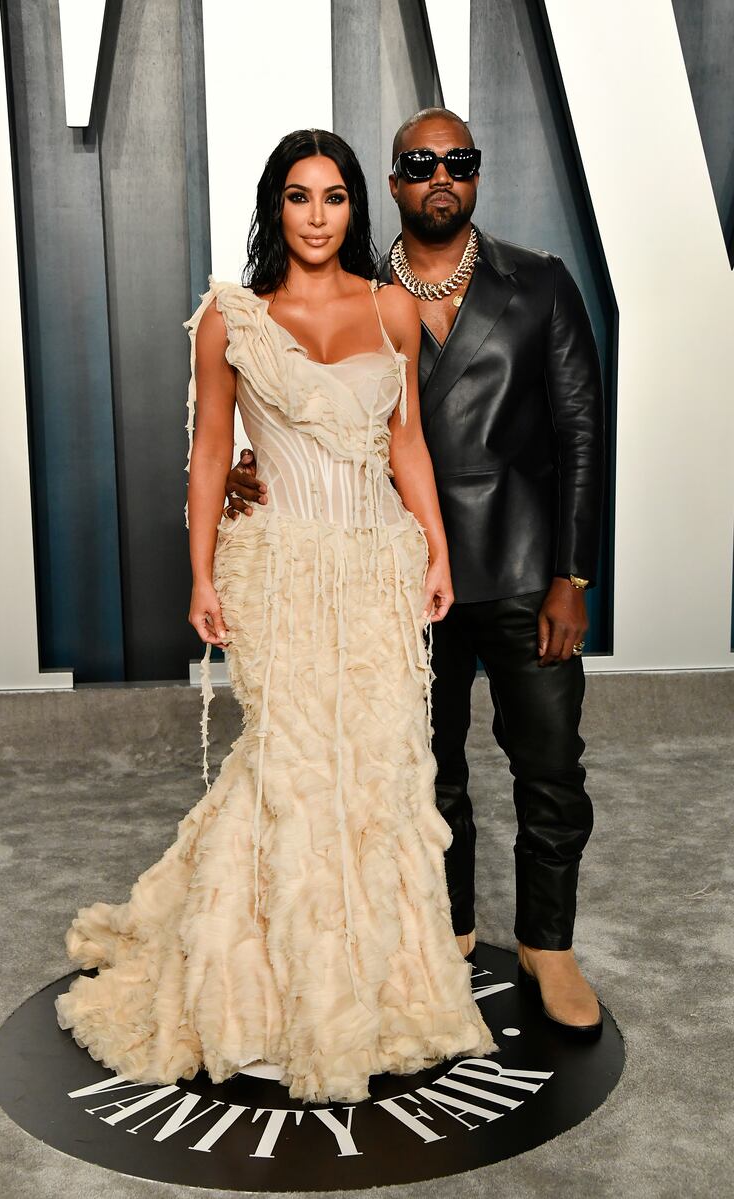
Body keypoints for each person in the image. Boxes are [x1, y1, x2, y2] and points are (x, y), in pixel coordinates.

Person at [54, 127, 495, 1105]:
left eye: (333, 197)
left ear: (354, 208)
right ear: (274, 207)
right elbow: (212, 452)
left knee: (373, 772)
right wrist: (201, 575)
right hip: (276, 569)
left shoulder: (390, 306)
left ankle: (374, 986)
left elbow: (407, 444)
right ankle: (265, 996)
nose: (316, 216)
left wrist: (436, 551)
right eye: (298, 197)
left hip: (375, 564)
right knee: (291, 768)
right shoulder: (232, 318)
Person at [226, 108, 605, 1035]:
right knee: (420, 769)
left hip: (522, 570)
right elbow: (321, 415)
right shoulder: (359, 291)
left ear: (476, 174)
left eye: (458, 160)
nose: (442, 174)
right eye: (421, 162)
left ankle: (548, 946)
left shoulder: (540, 282)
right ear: (392, 184)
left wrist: (574, 575)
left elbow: (581, 433)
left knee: (550, 765)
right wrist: (255, 466)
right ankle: (449, 927)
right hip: (394, 575)